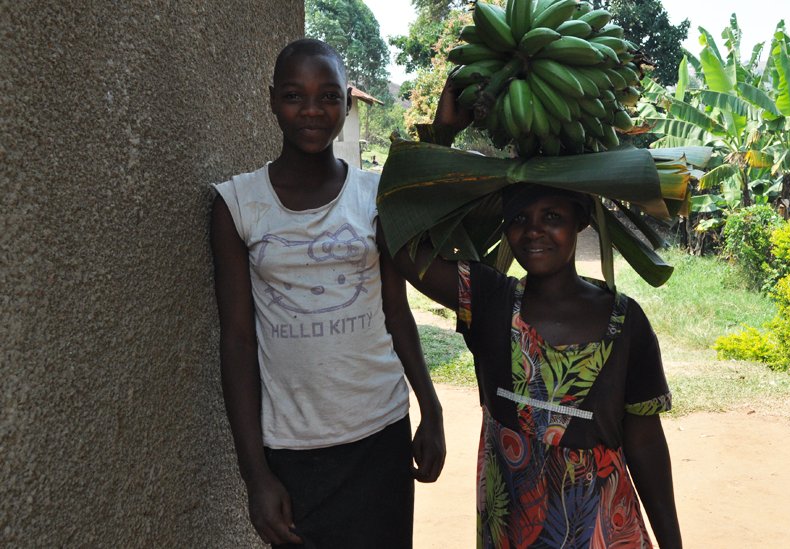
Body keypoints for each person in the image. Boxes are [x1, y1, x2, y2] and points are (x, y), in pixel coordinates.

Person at [389, 86, 682, 548]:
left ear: (581, 221)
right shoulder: (488, 300)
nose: (535, 232)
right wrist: (443, 132)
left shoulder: (626, 323)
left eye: (552, 216)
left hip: (604, 532)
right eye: (520, 218)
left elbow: (645, 441)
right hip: (511, 532)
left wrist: (673, 542)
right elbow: (399, 240)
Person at [210, 38, 445, 548]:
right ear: (272, 99)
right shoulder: (237, 206)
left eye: (329, 96)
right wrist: (255, 476)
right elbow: (236, 342)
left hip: (379, 434)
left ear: (346, 102)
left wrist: (432, 407)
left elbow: (396, 310)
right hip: (293, 449)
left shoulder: (374, 196)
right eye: (295, 96)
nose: (313, 111)